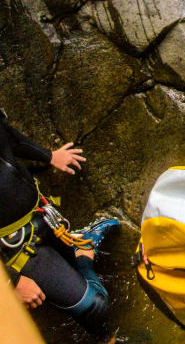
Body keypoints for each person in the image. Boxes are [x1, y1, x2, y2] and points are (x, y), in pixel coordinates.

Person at [0, 109, 119, 342]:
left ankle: (81, 247)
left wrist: (49, 156)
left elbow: (7, 136)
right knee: (96, 306)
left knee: (91, 294)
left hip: (41, 215)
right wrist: (11, 281)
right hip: (14, 249)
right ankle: (84, 251)